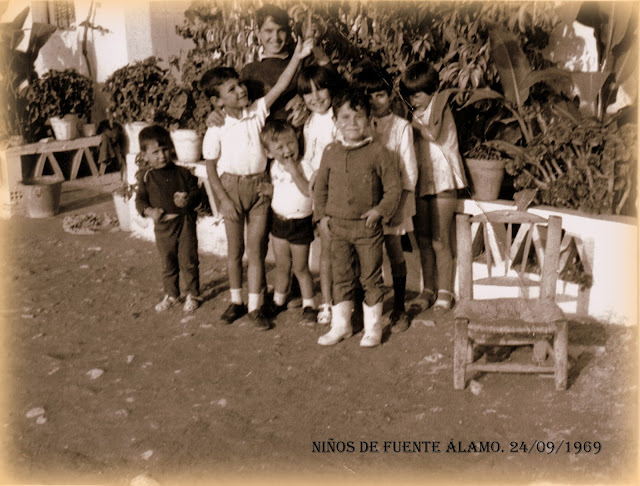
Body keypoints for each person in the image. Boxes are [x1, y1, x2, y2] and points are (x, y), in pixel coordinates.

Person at [201, 36, 313, 331]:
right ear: (217, 102)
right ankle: (236, 301)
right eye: (231, 89)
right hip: (231, 189)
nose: (240, 90)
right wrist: (224, 200)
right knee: (235, 251)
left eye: (239, 84)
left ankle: (255, 307)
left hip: (260, 187)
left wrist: (297, 56)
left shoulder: (258, 110)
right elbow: (210, 168)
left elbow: (282, 85)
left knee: (256, 251)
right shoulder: (216, 127)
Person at [313, 88, 402, 347]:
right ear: (335, 121)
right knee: (341, 276)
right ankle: (341, 325)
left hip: (367, 228)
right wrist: (322, 217)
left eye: (358, 116)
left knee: (370, 277)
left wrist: (379, 211)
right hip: (337, 228)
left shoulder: (378, 152)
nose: (352, 123)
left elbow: (393, 188)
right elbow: (321, 188)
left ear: (369, 119)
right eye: (345, 117)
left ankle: (373, 328)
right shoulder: (330, 151)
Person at [353, 65, 418, 332]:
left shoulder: (402, 127)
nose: (374, 102)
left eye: (379, 95)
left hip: (394, 200)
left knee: (393, 249)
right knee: (364, 254)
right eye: (367, 97)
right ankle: (363, 307)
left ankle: (399, 307)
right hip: (365, 201)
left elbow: (409, 171)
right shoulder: (359, 125)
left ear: (391, 95)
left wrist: (399, 207)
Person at [400, 61, 467, 311]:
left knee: (440, 240)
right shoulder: (414, 112)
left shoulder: (440, 104)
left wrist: (410, 124)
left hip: (443, 179)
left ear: (432, 90)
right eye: (409, 96)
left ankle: (445, 292)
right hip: (422, 179)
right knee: (424, 240)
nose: (413, 100)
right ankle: (428, 290)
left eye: (417, 95)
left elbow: (432, 134)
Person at [135, 125, 202, 313]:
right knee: (168, 261)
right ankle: (172, 294)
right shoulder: (146, 177)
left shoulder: (182, 172)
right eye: (155, 152)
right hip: (163, 227)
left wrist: (188, 198)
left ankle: (193, 294)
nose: (162, 156)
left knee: (188, 260)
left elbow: (196, 192)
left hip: (185, 222)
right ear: (144, 155)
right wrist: (150, 211)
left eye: (165, 149)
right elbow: (140, 200)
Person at [297, 64, 344, 325]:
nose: (315, 97)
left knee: (345, 248)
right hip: (321, 194)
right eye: (308, 92)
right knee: (326, 248)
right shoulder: (309, 123)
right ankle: (326, 302)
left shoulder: (340, 117)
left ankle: (346, 300)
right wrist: (308, 176)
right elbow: (308, 157)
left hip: (342, 190)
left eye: (321, 89)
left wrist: (320, 172)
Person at [259, 119, 317, 326]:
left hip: (300, 223)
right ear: (269, 153)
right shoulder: (274, 167)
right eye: (280, 147)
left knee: (300, 268)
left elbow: (307, 192)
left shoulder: (304, 166)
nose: (287, 150)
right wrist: (270, 192)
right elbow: (282, 191)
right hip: (279, 221)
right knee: (282, 266)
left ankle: (309, 304)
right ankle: (279, 300)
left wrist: (294, 171)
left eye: (291, 143)